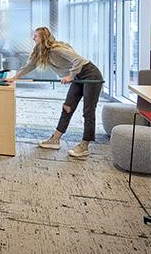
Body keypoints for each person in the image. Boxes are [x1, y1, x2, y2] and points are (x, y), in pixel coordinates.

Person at [9, 27, 103, 158]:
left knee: (88, 110)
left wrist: (70, 76)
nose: (33, 38)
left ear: (43, 38)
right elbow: (30, 65)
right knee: (67, 107)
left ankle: (84, 145)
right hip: (78, 77)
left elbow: (79, 60)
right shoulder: (41, 51)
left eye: (36, 36)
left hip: (91, 75)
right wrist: (15, 77)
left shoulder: (56, 49)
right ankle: (55, 139)